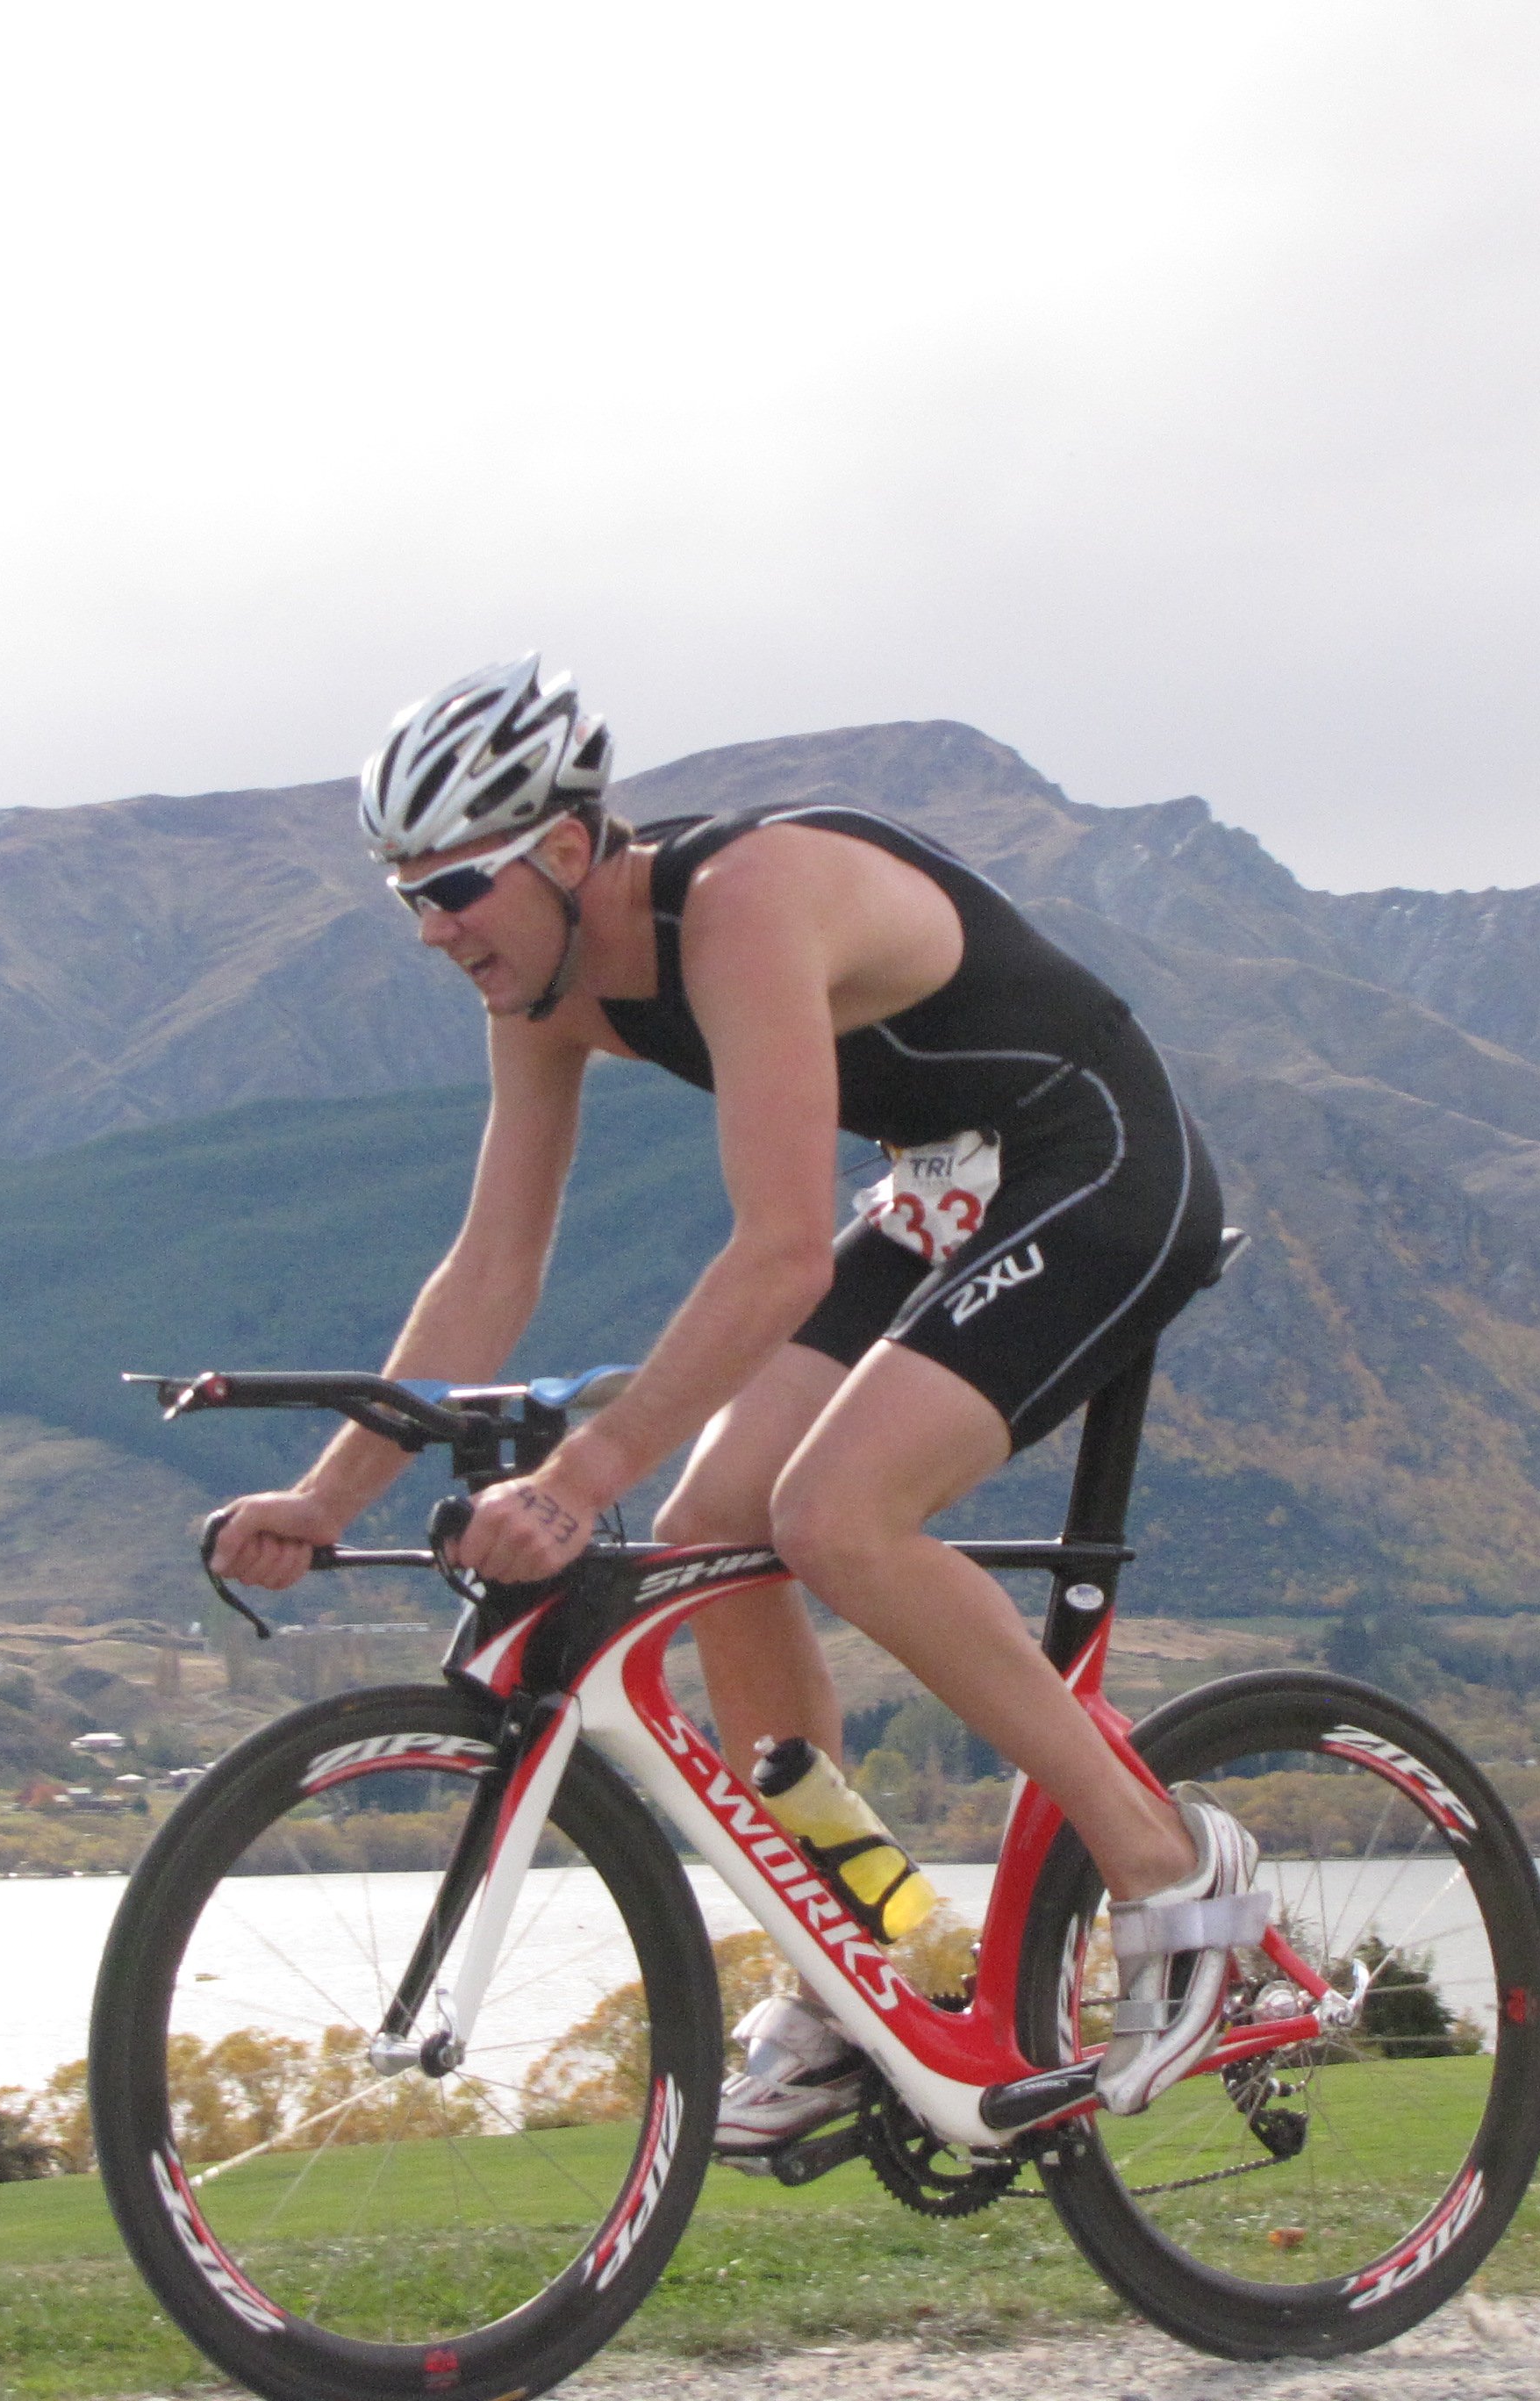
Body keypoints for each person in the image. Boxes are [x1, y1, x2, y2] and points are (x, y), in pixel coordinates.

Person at [210, 656, 1254, 2143]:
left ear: (568, 851)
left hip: (1091, 1164)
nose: (436, 931)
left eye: (457, 890)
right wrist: (326, 1499)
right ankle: (862, 1961)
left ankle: (1166, 1866)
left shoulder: (746, 906)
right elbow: (492, 1265)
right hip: (943, 1190)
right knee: (712, 1538)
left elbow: (772, 1253)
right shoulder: (540, 988)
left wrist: (580, 1476)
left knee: (837, 1517)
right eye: (407, 900)